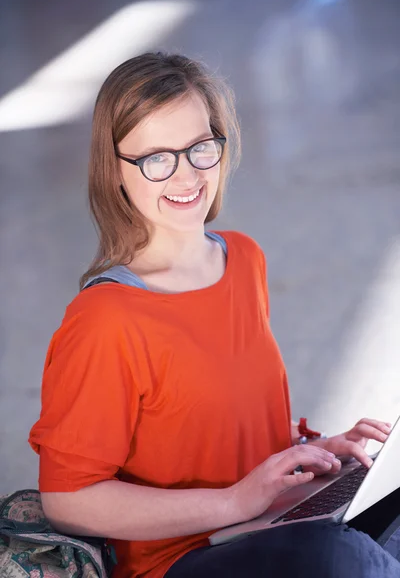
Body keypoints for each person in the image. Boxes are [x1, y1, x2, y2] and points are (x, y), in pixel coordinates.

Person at [29, 52, 400, 578]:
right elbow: (68, 500)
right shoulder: (105, 319)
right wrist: (232, 504)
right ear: (116, 171)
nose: (186, 175)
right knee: (340, 558)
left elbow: (220, 422)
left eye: (200, 148)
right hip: (183, 558)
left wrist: (313, 456)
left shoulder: (243, 258)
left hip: (273, 522)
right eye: (157, 157)